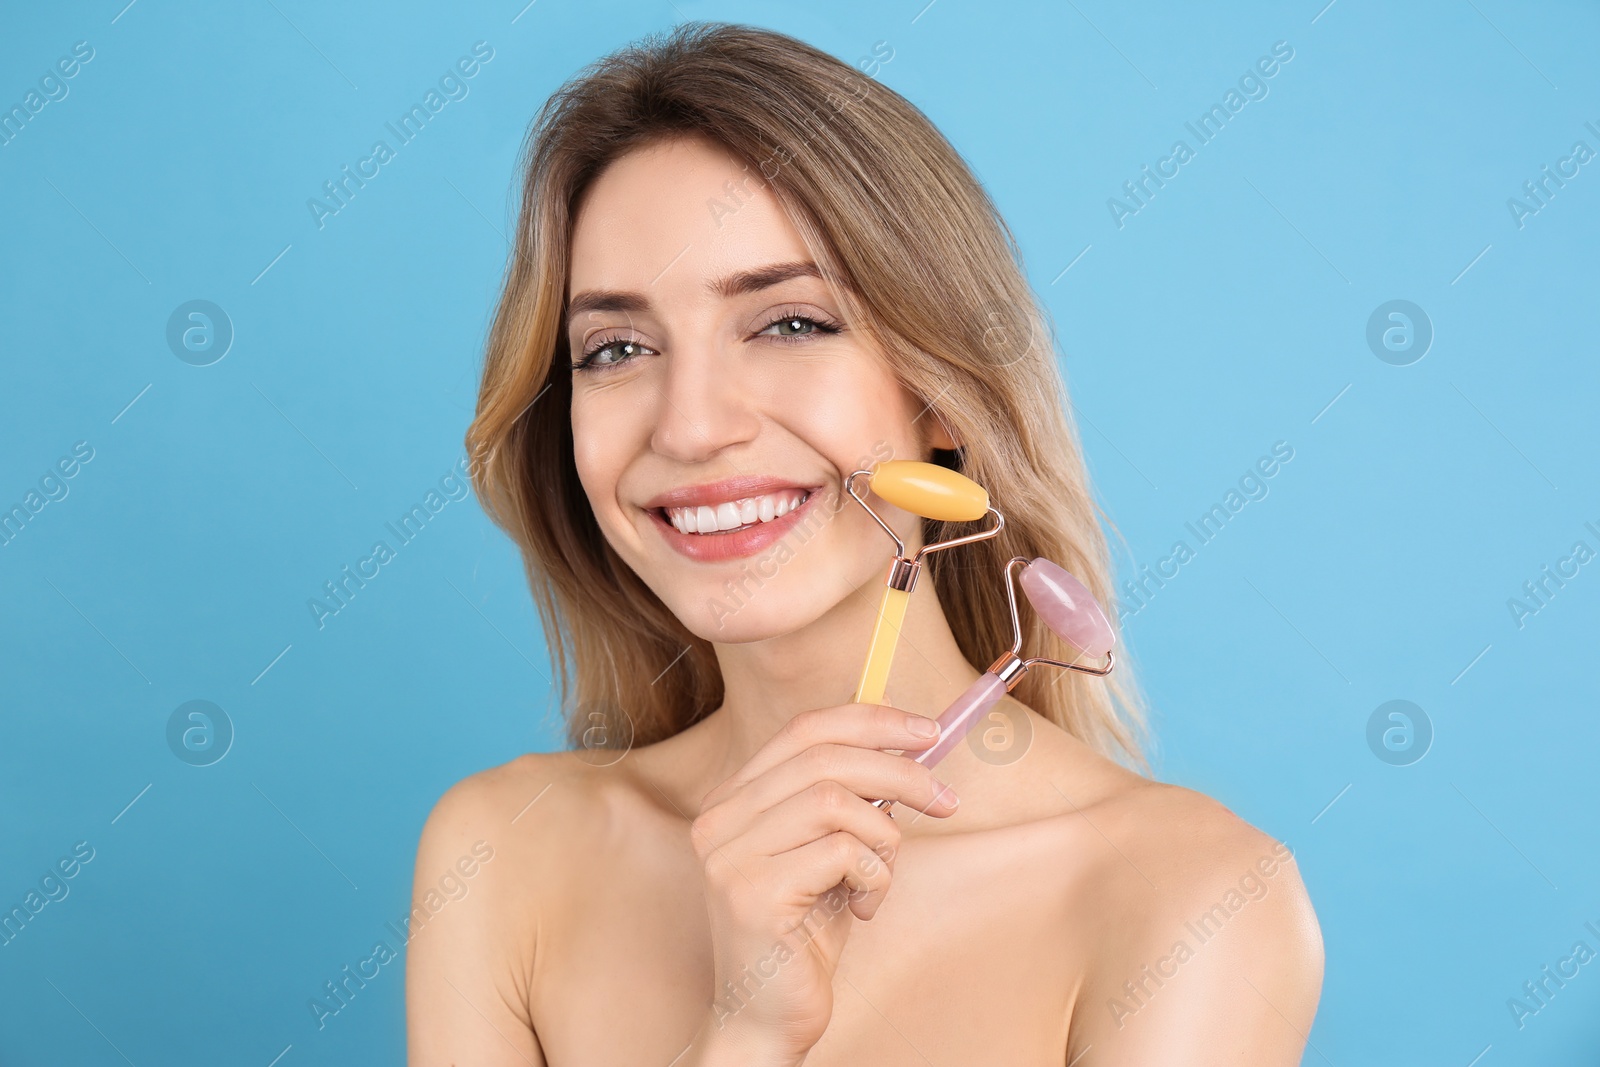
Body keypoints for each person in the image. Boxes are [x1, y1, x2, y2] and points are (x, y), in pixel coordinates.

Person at [406, 21, 1323, 1066]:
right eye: (616, 348)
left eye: (789, 322)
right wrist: (747, 1032)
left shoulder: (1189, 898)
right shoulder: (503, 856)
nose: (691, 425)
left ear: (940, 390)